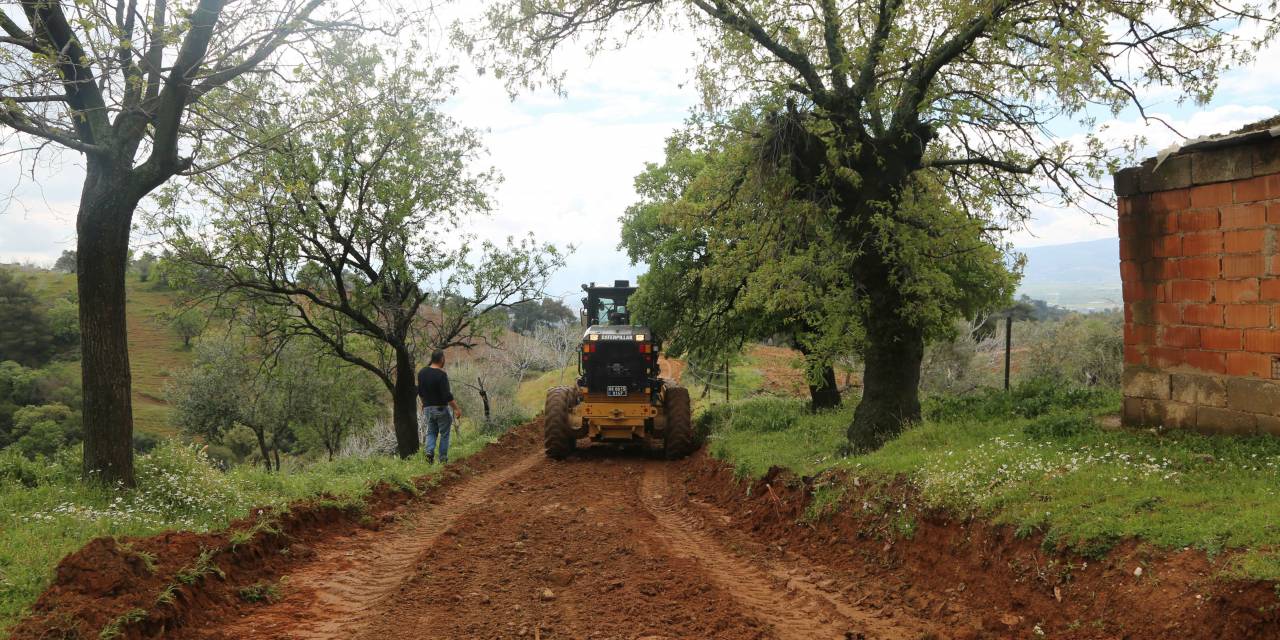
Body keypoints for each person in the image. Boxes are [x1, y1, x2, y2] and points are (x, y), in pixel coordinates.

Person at [417, 349, 461, 464]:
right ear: (442, 359)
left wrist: (423, 404)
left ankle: (429, 453)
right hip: (441, 408)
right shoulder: (441, 375)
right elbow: (447, 395)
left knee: (431, 432)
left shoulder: (422, 373)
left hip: (427, 409)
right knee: (445, 434)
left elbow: (420, 392)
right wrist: (456, 408)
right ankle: (442, 459)